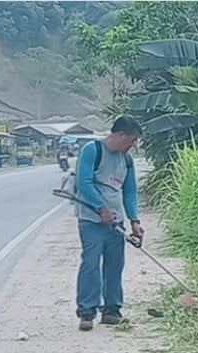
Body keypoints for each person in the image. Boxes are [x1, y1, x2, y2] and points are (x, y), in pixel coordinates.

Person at [74, 116, 144, 331]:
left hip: (116, 223)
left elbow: (129, 191)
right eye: (131, 141)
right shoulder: (92, 150)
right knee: (91, 263)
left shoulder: (127, 160)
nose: (132, 146)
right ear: (120, 135)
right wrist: (101, 208)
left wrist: (134, 220)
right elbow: (83, 182)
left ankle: (111, 310)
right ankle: (87, 311)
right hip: (91, 220)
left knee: (115, 265)